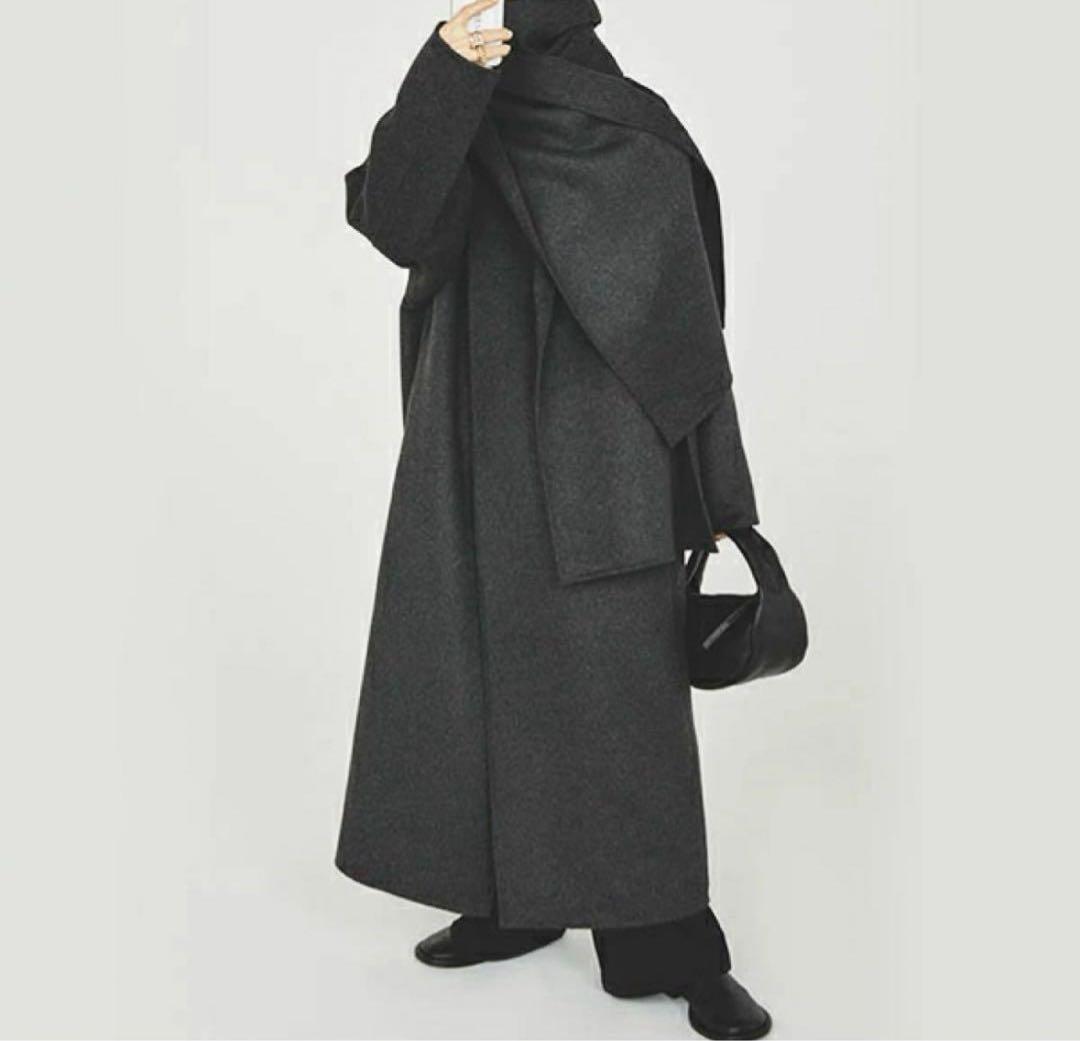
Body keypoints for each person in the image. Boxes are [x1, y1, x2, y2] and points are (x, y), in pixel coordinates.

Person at [336, 1, 770, 1037]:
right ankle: (510, 903)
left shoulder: (626, 128)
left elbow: (686, 331)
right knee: (473, 678)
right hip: (469, 444)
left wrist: (716, 493)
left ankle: (672, 947)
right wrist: (446, 71)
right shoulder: (455, 107)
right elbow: (395, 220)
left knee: (624, 709)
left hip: (602, 463)